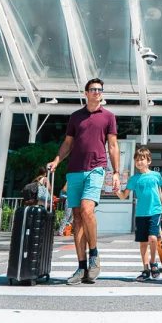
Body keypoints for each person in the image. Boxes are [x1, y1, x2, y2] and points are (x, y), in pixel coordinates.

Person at [47, 78, 119, 285]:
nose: (97, 92)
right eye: (93, 89)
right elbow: (68, 143)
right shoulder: (75, 117)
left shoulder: (108, 117)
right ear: (86, 93)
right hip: (74, 171)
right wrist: (57, 161)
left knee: (87, 210)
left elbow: (112, 146)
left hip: (96, 169)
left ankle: (94, 254)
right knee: (77, 218)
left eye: (100, 89)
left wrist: (115, 172)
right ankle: (81, 267)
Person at [117, 147, 162, 281]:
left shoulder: (156, 176)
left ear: (149, 161)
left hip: (155, 211)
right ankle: (145, 269)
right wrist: (117, 191)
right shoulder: (134, 179)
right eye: (137, 160)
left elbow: (160, 192)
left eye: (142, 159)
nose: (139, 162)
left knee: (152, 238)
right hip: (140, 214)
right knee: (143, 242)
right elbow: (123, 196)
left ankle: (153, 263)